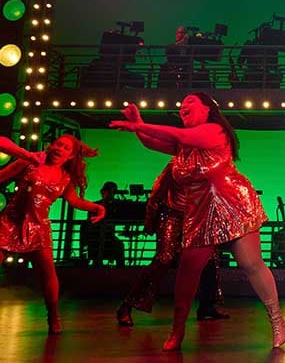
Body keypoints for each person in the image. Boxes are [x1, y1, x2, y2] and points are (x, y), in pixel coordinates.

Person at [109, 93, 285, 351]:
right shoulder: (184, 146)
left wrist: (137, 125)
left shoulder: (215, 131)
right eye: (182, 104)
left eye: (191, 102)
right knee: (188, 269)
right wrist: (139, 123)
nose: (184, 106)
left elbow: (178, 136)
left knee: (250, 263)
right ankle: (177, 329)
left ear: (207, 110)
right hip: (200, 211)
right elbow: (152, 142)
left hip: (232, 202)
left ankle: (276, 319)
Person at [0, 135, 105, 334]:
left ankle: (53, 315)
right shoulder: (29, 162)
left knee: (48, 273)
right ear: (51, 146)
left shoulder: (65, 178)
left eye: (65, 147)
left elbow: (74, 201)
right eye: (58, 144)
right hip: (9, 222)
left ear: (71, 155)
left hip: (38, 227)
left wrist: (96, 207)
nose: (59, 148)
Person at [115, 161, 230, 327]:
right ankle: (127, 306)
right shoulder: (177, 164)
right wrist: (150, 219)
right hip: (172, 214)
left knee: (209, 259)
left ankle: (207, 306)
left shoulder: (213, 163)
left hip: (197, 216)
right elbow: (157, 191)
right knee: (164, 258)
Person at [81, 181, 126, 267]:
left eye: (112, 192)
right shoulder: (96, 206)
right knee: (119, 246)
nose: (110, 194)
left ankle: (119, 269)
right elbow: (91, 221)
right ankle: (119, 269)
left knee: (119, 246)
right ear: (103, 192)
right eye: (109, 191)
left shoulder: (111, 205)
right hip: (95, 237)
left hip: (107, 237)